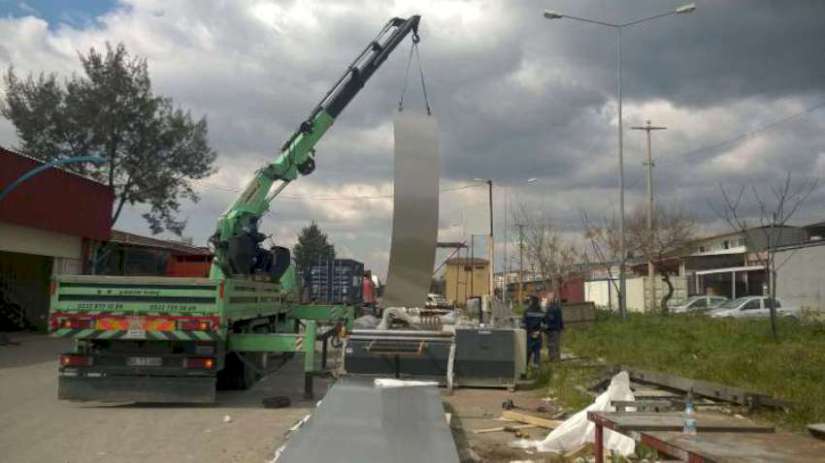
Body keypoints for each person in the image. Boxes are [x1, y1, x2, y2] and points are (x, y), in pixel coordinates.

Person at [522, 294, 544, 370]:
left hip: (529, 335)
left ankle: (524, 369)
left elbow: (523, 324)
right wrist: (539, 331)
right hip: (538, 335)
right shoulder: (541, 312)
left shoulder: (527, 311)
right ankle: (536, 370)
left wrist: (528, 332)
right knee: (537, 353)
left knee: (527, 353)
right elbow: (544, 324)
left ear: (531, 301)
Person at [544, 294, 565, 362]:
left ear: (551, 300)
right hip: (556, 329)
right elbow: (560, 320)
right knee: (556, 344)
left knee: (552, 344)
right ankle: (556, 358)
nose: (547, 300)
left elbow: (549, 319)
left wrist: (546, 326)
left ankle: (553, 359)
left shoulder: (551, 309)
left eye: (548, 299)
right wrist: (562, 328)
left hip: (552, 329)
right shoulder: (557, 308)